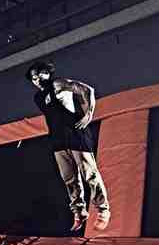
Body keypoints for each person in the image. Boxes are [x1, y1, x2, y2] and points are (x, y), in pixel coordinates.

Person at [26, 61, 110, 231]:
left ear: (47, 73)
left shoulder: (59, 84)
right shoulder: (38, 98)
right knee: (69, 179)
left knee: (90, 175)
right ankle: (79, 212)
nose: (37, 80)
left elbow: (88, 90)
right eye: (33, 78)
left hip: (76, 134)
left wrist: (88, 114)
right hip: (58, 140)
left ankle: (103, 209)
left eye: (40, 75)